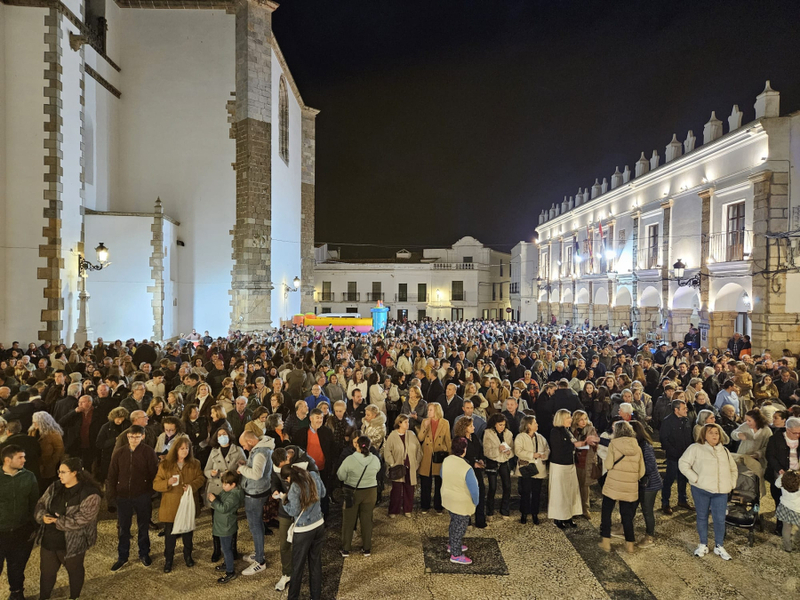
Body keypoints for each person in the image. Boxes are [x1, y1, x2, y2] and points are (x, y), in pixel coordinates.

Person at [34, 456, 102, 600]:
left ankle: (74, 597)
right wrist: (42, 516)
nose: (59, 475)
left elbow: (83, 519)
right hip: (50, 540)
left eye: (63, 472)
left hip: (73, 543)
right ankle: (43, 597)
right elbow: (41, 504)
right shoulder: (55, 487)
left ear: (74, 473)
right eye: (59, 472)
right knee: (47, 573)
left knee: (74, 571)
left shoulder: (90, 494)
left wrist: (58, 521)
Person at [679, 422, 738, 560]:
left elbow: (733, 469)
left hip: (721, 491)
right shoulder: (695, 448)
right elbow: (683, 464)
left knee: (719, 519)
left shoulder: (725, 451)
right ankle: (703, 544)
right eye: (711, 432)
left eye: (716, 433)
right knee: (702, 516)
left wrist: (731, 483)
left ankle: (719, 545)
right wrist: (695, 479)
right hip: (701, 489)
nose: (714, 435)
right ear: (704, 435)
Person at [106, 424, 159, 571]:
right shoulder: (119, 453)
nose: (133, 439)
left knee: (143, 526)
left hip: (142, 495)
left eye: (136, 437)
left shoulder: (148, 452)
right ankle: (122, 556)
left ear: (142, 436)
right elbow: (111, 475)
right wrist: (112, 495)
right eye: (131, 437)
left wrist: (149, 492)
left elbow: (154, 473)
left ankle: (144, 553)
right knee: (124, 528)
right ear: (127, 437)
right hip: (123, 496)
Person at [152, 435, 205, 572]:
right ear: (175, 449)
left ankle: (188, 556)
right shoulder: (165, 465)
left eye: (187, 448)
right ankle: (169, 559)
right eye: (182, 448)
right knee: (170, 535)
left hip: (188, 505)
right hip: (171, 505)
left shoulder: (195, 463)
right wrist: (167, 483)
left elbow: (201, 478)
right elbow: (156, 484)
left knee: (188, 533)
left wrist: (192, 486)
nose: (185, 451)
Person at [598, 421, 645, 554]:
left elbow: (608, 465)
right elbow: (642, 471)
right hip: (629, 487)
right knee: (627, 515)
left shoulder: (613, 444)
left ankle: (606, 542)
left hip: (613, 485)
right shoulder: (637, 447)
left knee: (606, 512)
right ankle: (630, 544)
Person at [281, 464, 326, 600]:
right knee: (315, 563)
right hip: (319, 524)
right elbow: (323, 493)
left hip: (304, 529)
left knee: (297, 567)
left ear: (289, 477)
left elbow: (294, 511)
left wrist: (283, 500)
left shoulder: (295, 487)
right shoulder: (313, 475)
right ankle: (315, 596)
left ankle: (293, 597)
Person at [0, 444, 39, 600]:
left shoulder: (29, 477)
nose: (24, 460)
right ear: (7, 460)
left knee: (16, 567)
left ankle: (16, 593)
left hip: (20, 532)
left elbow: (34, 503)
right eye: (20, 457)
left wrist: (33, 526)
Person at [548, 409, 597, 528]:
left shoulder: (567, 431)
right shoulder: (555, 432)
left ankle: (568, 516)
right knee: (560, 492)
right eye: (568, 417)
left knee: (570, 491)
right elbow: (560, 448)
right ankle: (559, 518)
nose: (571, 420)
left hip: (570, 465)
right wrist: (577, 445)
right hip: (560, 466)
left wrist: (579, 444)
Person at [204, 426, 245, 562]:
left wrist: (239, 470)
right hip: (216, 489)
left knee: (231, 521)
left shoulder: (237, 450)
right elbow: (206, 470)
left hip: (231, 490)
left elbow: (245, 467)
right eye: (219, 434)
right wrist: (211, 473)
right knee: (216, 522)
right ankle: (217, 549)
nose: (222, 436)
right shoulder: (214, 451)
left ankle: (233, 549)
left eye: (224, 434)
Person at [237, 430, 275, 576]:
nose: (245, 448)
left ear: (251, 441)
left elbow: (257, 474)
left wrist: (242, 468)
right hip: (259, 491)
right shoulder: (262, 448)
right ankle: (258, 552)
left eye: (244, 445)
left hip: (255, 493)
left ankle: (260, 561)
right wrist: (247, 464)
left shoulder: (259, 452)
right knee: (256, 525)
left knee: (255, 526)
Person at [337, 435, 381, 557]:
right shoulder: (375, 459)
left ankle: (346, 549)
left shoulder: (349, 460)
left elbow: (340, 475)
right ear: (369, 445)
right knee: (367, 519)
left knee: (349, 521)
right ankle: (367, 548)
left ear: (357, 445)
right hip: (371, 492)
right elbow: (378, 470)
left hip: (352, 492)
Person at [441, 436, 479, 565]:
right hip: (461, 503)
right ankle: (456, 554)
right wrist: (476, 501)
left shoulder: (446, 460)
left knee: (453, 523)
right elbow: (474, 490)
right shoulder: (466, 467)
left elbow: (442, 474)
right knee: (460, 527)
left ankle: (452, 544)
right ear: (464, 449)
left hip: (448, 498)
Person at [630, 420, 663, 548]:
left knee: (647, 510)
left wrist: (635, 469)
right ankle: (624, 527)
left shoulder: (645, 446)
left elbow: (650, 466)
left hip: (649, 484)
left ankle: (650, 536)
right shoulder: (637, 444)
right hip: (640, 482)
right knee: (632, 507)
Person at [766, 416, 800, 537]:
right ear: (788, 430)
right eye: (795, 433)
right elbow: (770, 456)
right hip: (780, 475)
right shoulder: (775, 439)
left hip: (797, 475)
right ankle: (781, 526)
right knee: (781, 501)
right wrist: (780, 470)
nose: (798, 435)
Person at [207, 471, 244, 583]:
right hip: (223, 524)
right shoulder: (229, 491)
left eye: (225, 484)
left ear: (233, 485)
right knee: (225, 548)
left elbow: (223, 508)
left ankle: (230, 571)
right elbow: (222, 497)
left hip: (226, 526)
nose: (223, 486)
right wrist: (216, 497)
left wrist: (214, 501)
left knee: (226, 549)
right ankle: (227, 564)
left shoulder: (234, 496)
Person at [660, 400, 695, 514]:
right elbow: (664, 440)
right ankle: (665, 503)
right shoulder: (667, 422)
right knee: (669, 479)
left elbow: (689, 437)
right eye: (684, 408)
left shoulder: (686, 420)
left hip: (685, 456)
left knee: (683, 479)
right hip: (673, 457)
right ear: (676, 410)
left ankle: (682, 500)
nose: (686, 410)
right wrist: (673, 452)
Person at [383, 414, 422, 518]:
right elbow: (387, 451)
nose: (408, 424)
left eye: (408, 422)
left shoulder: (412, 434)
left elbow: (419, 450)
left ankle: (407, 509)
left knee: (409, 489)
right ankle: (393, 510)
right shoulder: (392, 436)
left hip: (410, 467)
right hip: (398, 468)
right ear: (399, 423)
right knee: (396, 490)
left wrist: (417, 463)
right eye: (405, 422)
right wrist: (392, 463)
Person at [514, 415, 549, 524]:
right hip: (527, 468)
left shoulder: (540, 437)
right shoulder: (520, 437)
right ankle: (524, 513)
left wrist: (544, 455)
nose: (537, 424)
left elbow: (547, 448)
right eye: (535, 423)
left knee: (536, 492)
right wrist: (532, 455)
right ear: (528, 425)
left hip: (538, 468)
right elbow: (518, 451)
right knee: (525, 492)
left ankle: (535, 513)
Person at [417, 402, 452, 514]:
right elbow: (420, 438)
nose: (428, 412)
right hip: (427, 454)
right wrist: (425, 427)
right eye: (428, 410)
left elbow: (448, 439)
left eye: (430, 410)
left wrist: (450, 455)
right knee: (425, 482)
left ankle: (438, 506)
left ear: (436, 410)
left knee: (439, 482)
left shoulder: (445, 423)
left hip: (439, 454)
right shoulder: (424, 421)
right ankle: (425, 505)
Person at [483, 413, 514, 519]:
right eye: (500, 425)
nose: (502, 427)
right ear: (495, 424)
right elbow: (486, 451)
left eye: (504, 425)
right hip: (492, 462)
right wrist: (498, 450)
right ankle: (489, 511)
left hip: (504, 462)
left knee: (507, 486)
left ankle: (504, 510)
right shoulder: (488, 433)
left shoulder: (508, 434)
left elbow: (513, 449)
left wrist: (509, 452)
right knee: (492, 487)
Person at [570, 409, 597, 519]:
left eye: (585, 419)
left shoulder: (590, 429)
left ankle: (585, 509)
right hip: (574, 460)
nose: (583, 421)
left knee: (585, 486)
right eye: (580, 419)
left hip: (586, 459)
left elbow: (595, 444)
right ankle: (575, 509)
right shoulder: (572, 430)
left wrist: (590, 443)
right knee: (575, 485)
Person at [30, 411, 65, 492]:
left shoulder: (53, 434)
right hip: (36, 463)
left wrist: (52, 463)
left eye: (36, 422)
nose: (34, 424)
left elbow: (59, 449)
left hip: (48, 464)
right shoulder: (32, 431)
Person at [96, 407, 129, 482]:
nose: (119, 420)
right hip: (108, 456)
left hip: (123, 455)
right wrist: (115, 440)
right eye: (117, 418)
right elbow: (99, 443)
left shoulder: (126, 426)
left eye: (122, 418)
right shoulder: (106, 427)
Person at [774, 469, 800, 552]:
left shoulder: (782, 480)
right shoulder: (798, 484)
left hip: (785, 507)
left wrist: (782, 475)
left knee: (786, 528)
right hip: (797, 509)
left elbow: (776, 484)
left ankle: (788, 547)